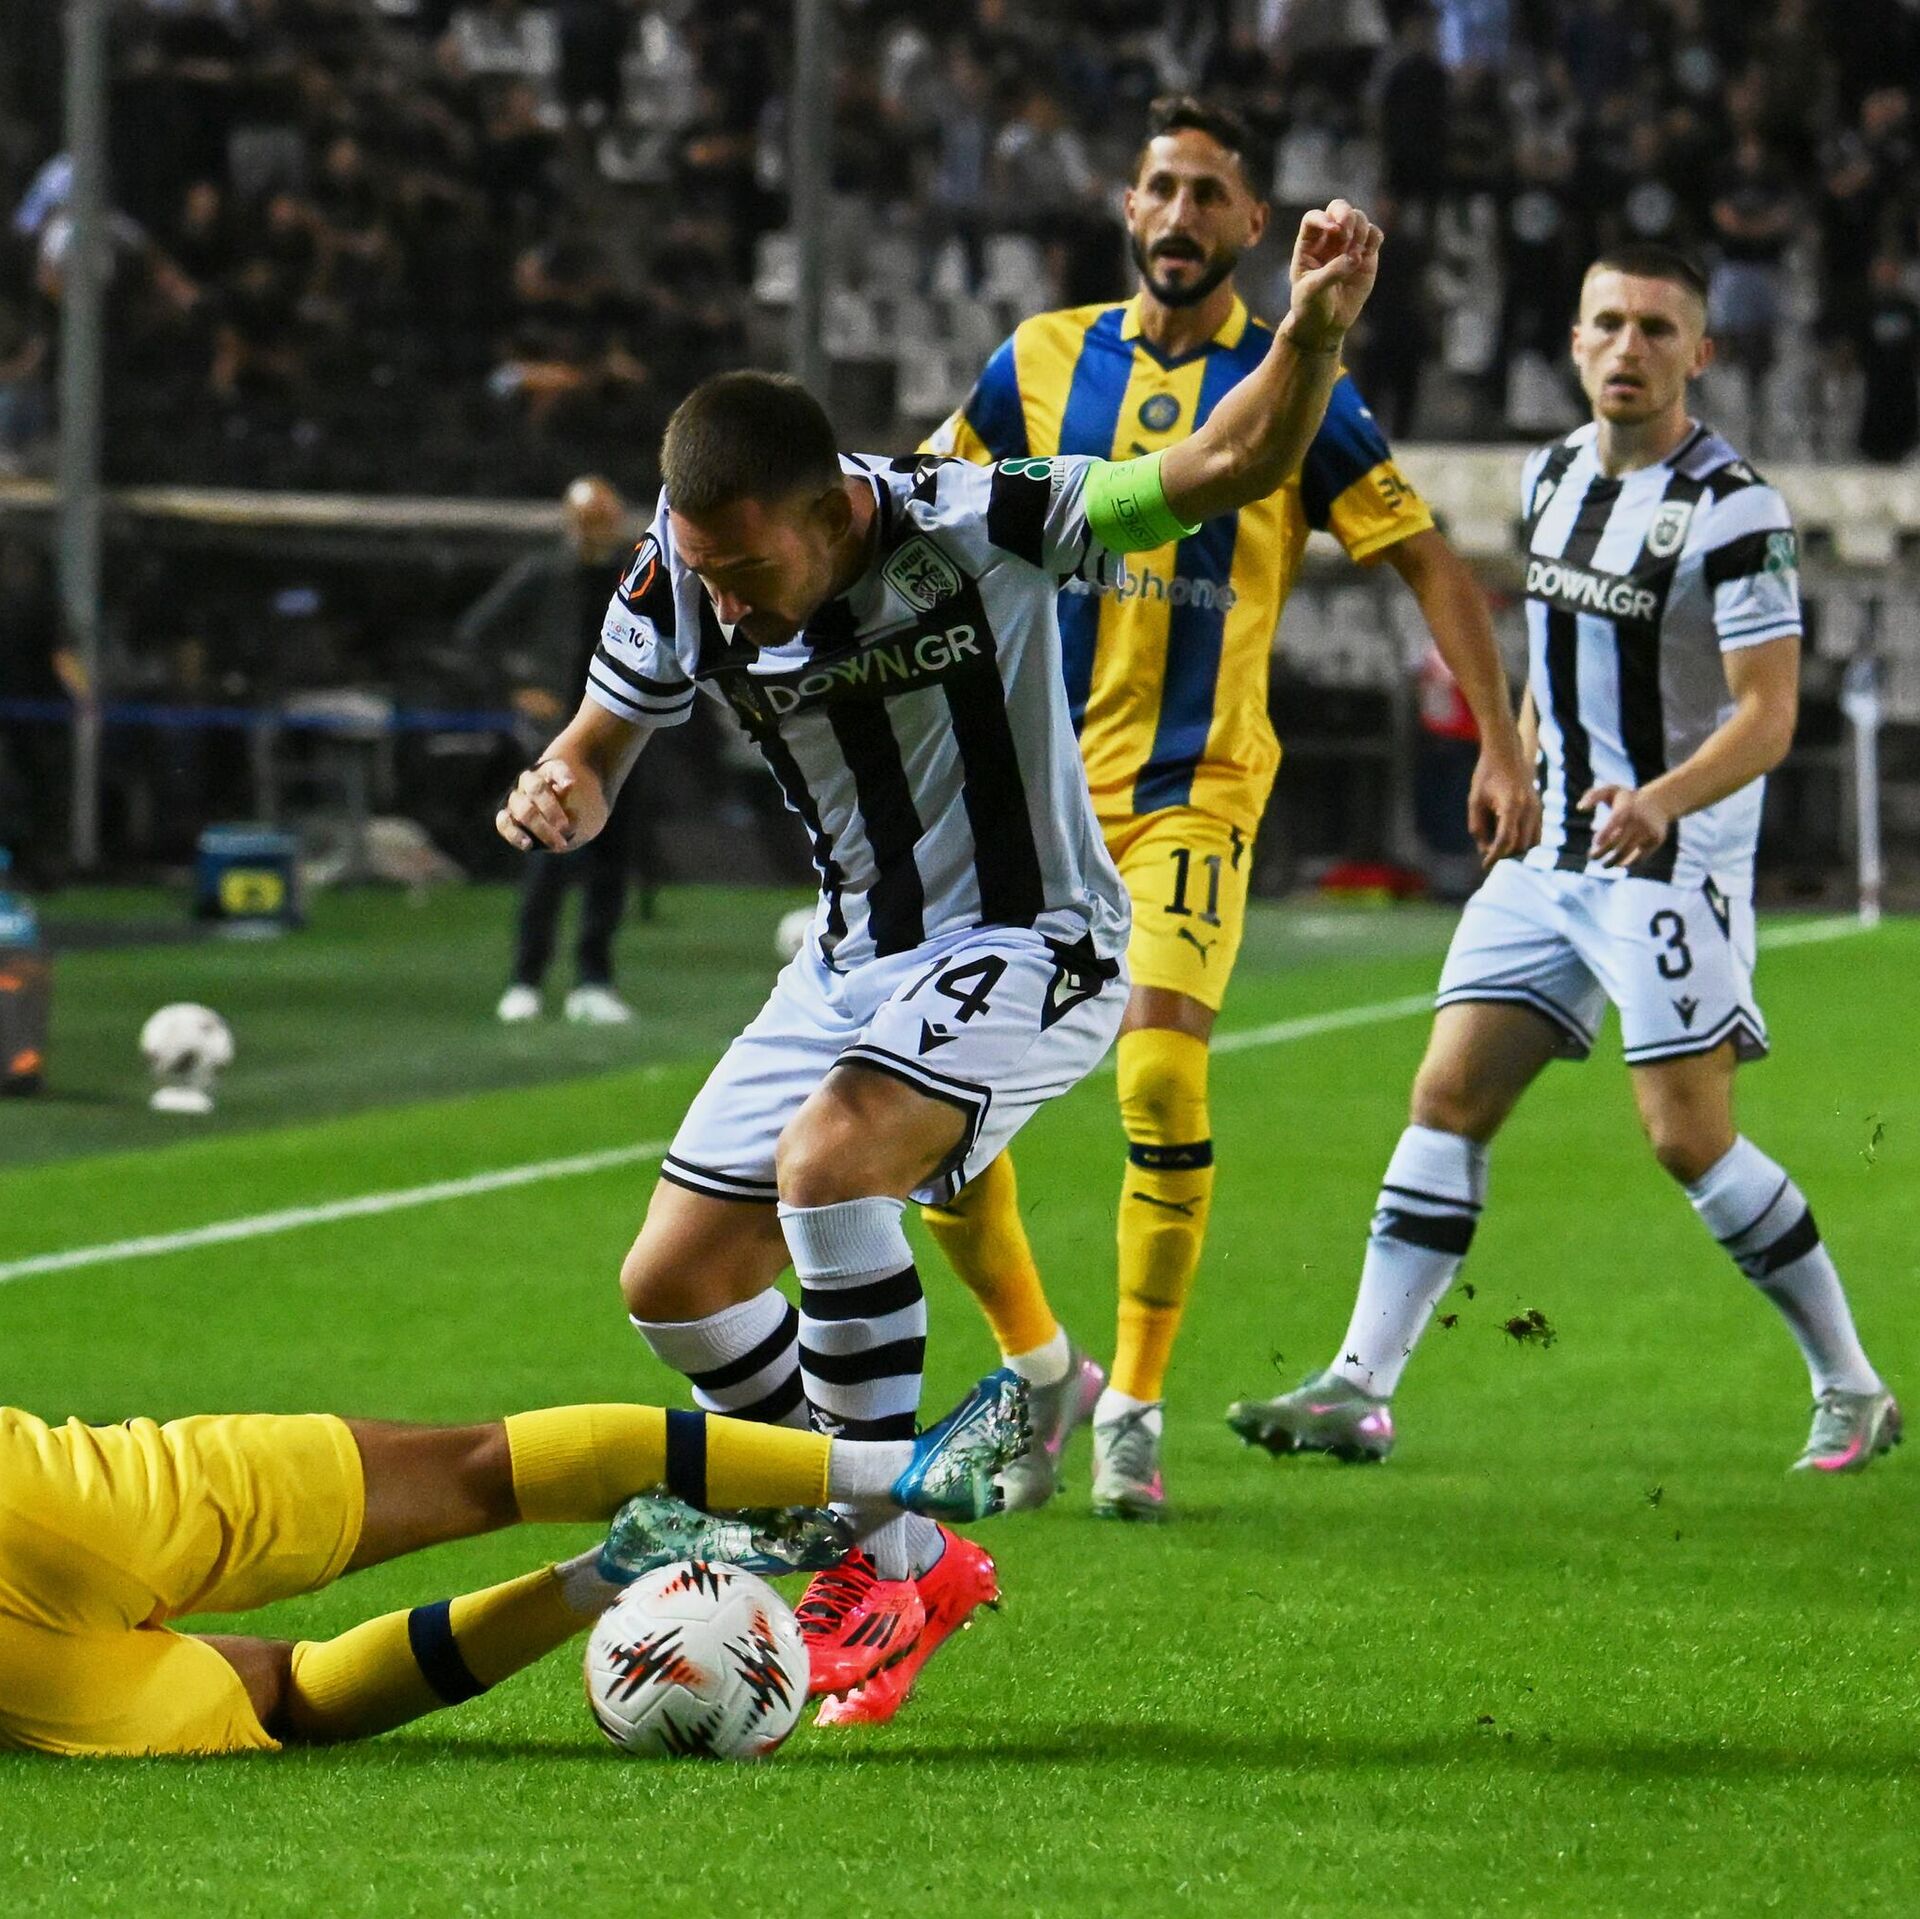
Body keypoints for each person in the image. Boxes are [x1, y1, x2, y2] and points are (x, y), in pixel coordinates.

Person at [496, 194, 1383, 1724]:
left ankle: (879, 1565)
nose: (720, 597)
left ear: (830, 513)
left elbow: (1226, 466)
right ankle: (882, 1536)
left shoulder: (979, 521)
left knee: (829, 1165)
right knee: (676, 1282)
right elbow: (600, 733)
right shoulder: (680, 567)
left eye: (743, 565)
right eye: (702, 568)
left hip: (1037, 939)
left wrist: (1309, 334)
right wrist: (568, 783)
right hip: (852, 958)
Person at [918, 97, 1538, 1522]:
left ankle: (1133, 1406)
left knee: (1157, 1078)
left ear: (1254, 225)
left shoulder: (1296, 382)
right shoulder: (1035, 360)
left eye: (1211, 193)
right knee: (935, 1118)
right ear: (1128, 208)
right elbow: (924, 507)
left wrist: (1501, 744)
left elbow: (1432, 563)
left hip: (1192, 791)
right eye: (1163, 187)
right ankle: (1040, 1363)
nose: (1182, 213)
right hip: (1027, 799)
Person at [1228, 243, 1901, 1477]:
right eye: (1609, 323)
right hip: (1552, 857)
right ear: (1577, 342)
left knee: (1688, 1138)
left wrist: (1660, 800)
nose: (1629, 346)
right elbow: (1555, 660)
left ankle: (1851, 1384)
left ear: (1701, 353)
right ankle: (1360, 1385)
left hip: (1671, 863)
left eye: (1657, 327)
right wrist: (1514, 757)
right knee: (1447, 1096)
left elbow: (1769, 713)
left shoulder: (1737, 508)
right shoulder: (1548, 477)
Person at [0, 1370, 1027, 1756]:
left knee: (292, 1697)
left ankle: (604, 1574)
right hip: (44, 1506)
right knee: (478, 1471)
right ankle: (892, 1469)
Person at [464, 475, 656, 1026]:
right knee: (547, 853)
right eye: (593, 519)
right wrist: (517, 687)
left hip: (620, 733)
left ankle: (593, 981)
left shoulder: (637, 572)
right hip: (556, 736)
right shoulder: (544, 572)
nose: (604, 529)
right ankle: (525, 979)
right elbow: (477, 632)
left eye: (609, 517)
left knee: (612, 858)